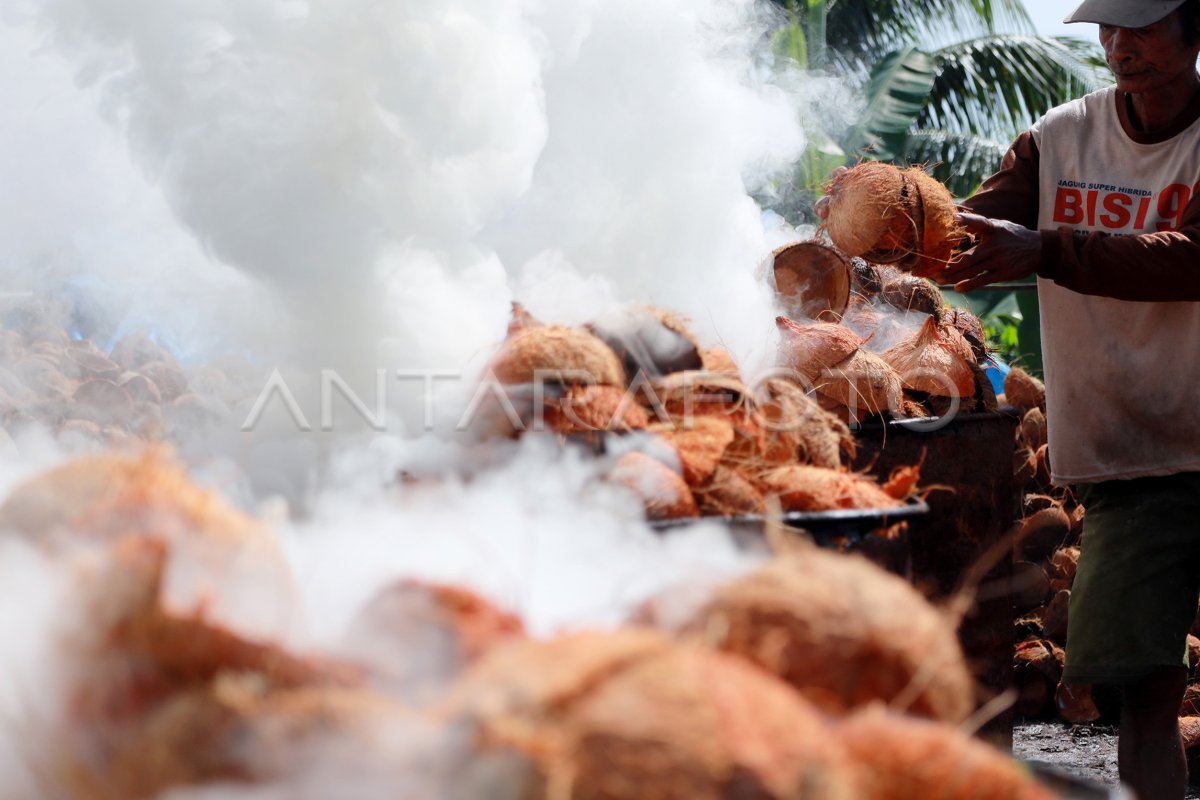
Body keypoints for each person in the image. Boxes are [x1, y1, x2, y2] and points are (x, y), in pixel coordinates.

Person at [943, 1, 1200, 797]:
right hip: (1128, 460)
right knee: (1140, 694)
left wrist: (1045, 248)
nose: (1120, 45)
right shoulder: (1060, 137)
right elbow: (975, 230)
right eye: (1108, 28)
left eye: (1143, 26)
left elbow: (1188, 260)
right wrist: (897, 227)